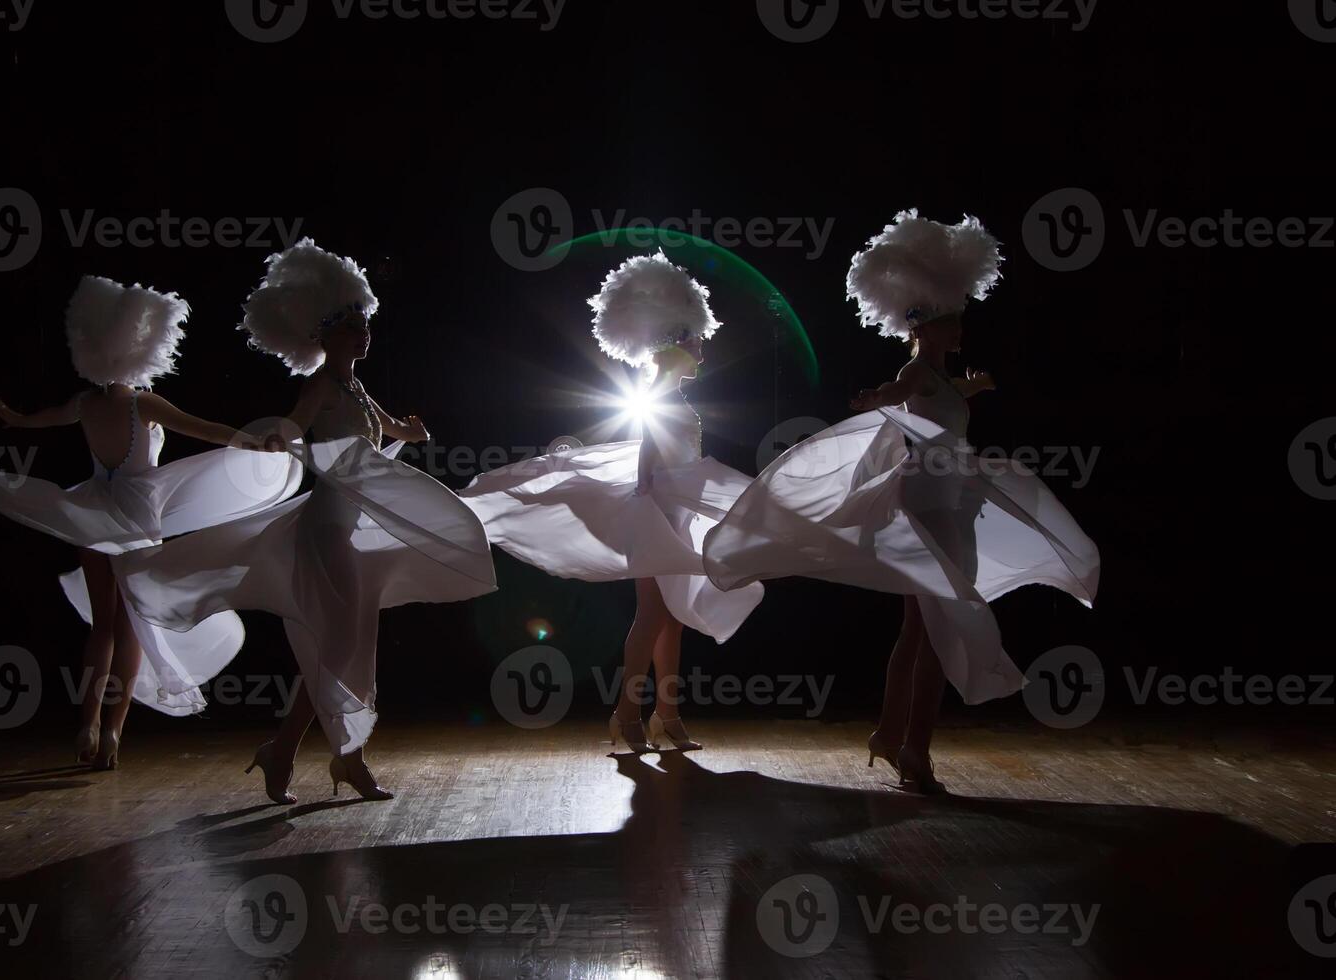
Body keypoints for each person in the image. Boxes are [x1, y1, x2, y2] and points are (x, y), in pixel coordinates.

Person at [703, 211, 1100, 793]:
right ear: (926, 325)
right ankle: (915, 750)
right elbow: (901, 392)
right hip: (927, 503)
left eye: (960, 320)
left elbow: (944, 399)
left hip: (951, 499)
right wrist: (875, 397)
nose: (959, 330)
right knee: (940, 622)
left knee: (919, 628)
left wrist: (976, 388)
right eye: (950, 322)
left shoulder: (942, 378)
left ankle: (890, 735)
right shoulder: (915, 370)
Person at [115, 240, 497, 802]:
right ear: (324, 333)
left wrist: (410, 433)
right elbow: (296, 424)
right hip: (325, 528)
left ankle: (317, 754)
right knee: (341, 640)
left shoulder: (357, 387)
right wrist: (281, 438)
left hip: (351, 528)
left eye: (366, 322)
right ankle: (314, 753)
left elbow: (386, 427)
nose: (365, 331)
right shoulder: (320, 384)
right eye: (351, 324)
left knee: (351, 640)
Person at [0, 275, 302, 769]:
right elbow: (208, 431)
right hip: (138, 519)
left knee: (102, 626)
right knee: (132, 625)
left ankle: (88, 722)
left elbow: (40, 420)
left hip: (93, 514)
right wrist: (257, 442)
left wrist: (12, 417)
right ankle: (114, 733)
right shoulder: (144, 404)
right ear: (144, 350)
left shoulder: (86, 405)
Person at [463, 252, 764, 753]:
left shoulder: (670, 390)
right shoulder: (663, 390)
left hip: (676, 510)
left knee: (670, 617)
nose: (704, 354)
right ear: (675, 344)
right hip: (659, 512)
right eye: (697, 343)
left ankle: (665, 715)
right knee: (654, 614)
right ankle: (627, 716)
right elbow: (650, 443)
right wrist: (649, 487)